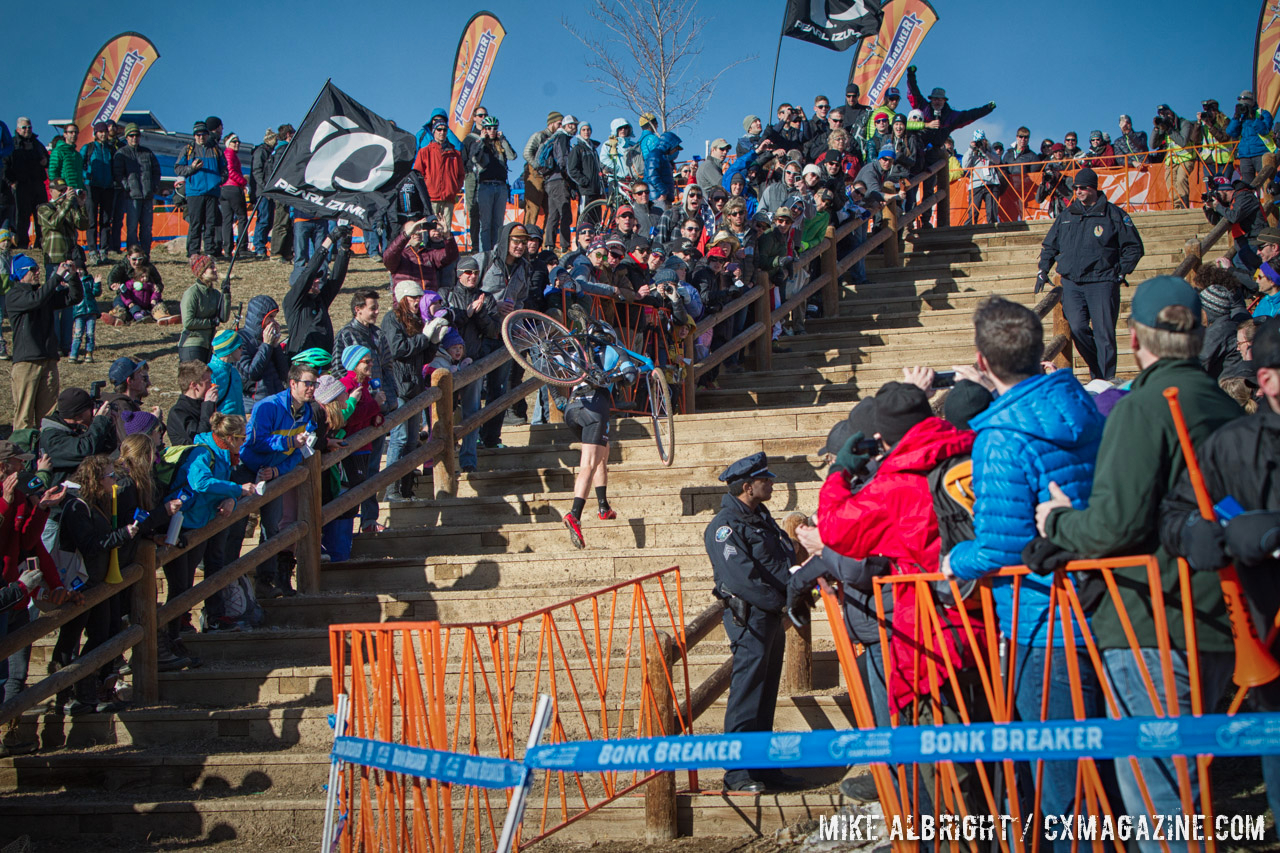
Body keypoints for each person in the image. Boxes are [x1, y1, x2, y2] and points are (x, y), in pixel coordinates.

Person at [1035, 277, 1241, 853]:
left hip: (1152, 619)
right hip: (1222, 614)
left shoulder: (1143, 408)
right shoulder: (1225, 405)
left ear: (1133, 339)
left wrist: (1056, 521)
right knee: (1188, 788)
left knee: (1160, 801)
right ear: (1199, 336)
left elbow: (1111, 527)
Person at [937, 299, 1105, 848]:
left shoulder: (1001, 437)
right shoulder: (1081, 402)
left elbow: (1004, 546)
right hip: (1103, 602)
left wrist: (953, 561)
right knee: (1102, 768)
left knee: (1059, 775)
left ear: (982, 361)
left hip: (1042, 616)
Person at [704, 452, 804, 793]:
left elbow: (779, 562)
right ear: (748, 486)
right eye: (766, 479)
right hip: (751, 617)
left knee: (765, 694)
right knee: (747, 695)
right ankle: (737, 771)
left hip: (770, 615)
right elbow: (742, 579)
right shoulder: (724, 527)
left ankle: (762, 766)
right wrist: (782, 602)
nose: (772, 483)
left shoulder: (761, 517)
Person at [1036, 167, 1145, 380]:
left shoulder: (1113, 214)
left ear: (1094, 188)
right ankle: (1098, 372)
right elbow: (1050, 244)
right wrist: (1043, 268)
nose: (1078, 191)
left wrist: (1120, 272)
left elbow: (1134, 247)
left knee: (1104, 334)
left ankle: (1106, 380)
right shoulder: (1067, 214)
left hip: (1102, 281)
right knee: (1077, 329)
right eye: (1076, 187)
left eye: (1083, 187)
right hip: (1072, 282)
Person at [241, 362, 321, 597]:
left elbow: (300, 452)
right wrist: (286, 443)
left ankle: (266, 581)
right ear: (293, 383)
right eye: (308, 383)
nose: (312, 388)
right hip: (247, 470)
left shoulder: (307, 412)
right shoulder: (267, 407)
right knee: (237, 530)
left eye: (314, 384)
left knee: (272, 528)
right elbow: (254, 442)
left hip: (273, 476)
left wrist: (277, 471)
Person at [382, 281, 446, 501]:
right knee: (399, 439)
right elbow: (398, 349)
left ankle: (406, 488)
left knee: (411, 441)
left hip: (414, 386)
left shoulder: (416, 320)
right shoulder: (392, 319)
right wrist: (424, 338)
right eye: (412, 297)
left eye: (419, 297)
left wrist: (433, 342)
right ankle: (392, 489)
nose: (417, 301)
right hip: (400, 387)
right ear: (402, 299)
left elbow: (422, 357)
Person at [7, 255, 81, 429]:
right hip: (26, 362)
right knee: (24, 416)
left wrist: (72, 277)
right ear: (20, 273)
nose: (37, 272)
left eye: (37, 268)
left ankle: (45, 452)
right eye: (32, 269)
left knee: (48, 416)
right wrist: (56, 277)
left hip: (48, 360)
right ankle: (22, 453)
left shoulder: (43, 293)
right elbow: (36, 300)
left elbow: (74, 297)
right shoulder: (14, 296)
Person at [284, 226, 350, 360]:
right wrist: (330, 240)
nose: (318, 280)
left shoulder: (320, 301)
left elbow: (335, 281)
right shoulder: (293, 302)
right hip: (302, 366)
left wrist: (344, 250)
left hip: (324, 363)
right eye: (315, 279)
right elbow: (308, 273)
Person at [174, 121, 228, 258]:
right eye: (197, 135)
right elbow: (178, 168)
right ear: (194, 136)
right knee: (195, 223)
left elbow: (225, 169)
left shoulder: (215, 149)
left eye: (203, 134)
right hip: (194, 192)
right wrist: (191, 168)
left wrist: (218, 181)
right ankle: (193, 252)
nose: (200, 137)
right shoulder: (188, 150)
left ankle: (210, 252)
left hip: (212, 192)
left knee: (210, 223)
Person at [468, 116, 517, 253]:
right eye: (489, 128)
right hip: (485, 186)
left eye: (495, 128)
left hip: (500, 185)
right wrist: (482, 140)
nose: (492, 131)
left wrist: (503, 140)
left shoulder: (500, 143)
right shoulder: (479, 142)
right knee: (485, 223)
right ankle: (485, 254)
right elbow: (474, 158)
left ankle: (496, 252)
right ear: (484, 129)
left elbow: (512, 156)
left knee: (498, 223)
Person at [111, 124, 161, 254]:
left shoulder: (147, 153)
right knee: (132, 227)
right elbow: (118, 174)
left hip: (147, 196)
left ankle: (145, 254)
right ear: (126, 137)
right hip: (132, 196)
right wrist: (127, 187)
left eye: (137, 135)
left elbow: (156, 171)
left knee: (147, 227)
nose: (134, 138)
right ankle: (133, 254)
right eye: (131, 135)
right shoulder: (122, 153)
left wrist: (154, 186)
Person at [179, 255, 232, 363]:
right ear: (202, 272)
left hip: (208, 345)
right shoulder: (192, 293)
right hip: (192, 345)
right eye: (211, 267)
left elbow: (223, 318)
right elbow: (188, 322)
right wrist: (211, 322)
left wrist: (226, 295)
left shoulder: (215, 294)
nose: (215, 269)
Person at [414, 117, 465, 231]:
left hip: (448, 198)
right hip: (431, 198)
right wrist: (425, 189)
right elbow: (417, 175)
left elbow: (461, 174)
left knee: (445, 230)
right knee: (431, 230)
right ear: (434, 131)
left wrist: (455, 188)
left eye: (444, 130)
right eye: (439, 129)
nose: (442, 132)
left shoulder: (455, 153)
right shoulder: (425, 152)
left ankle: (445, 249)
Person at [7, 118, 48, 249]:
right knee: (22, 216)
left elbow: (47, 158)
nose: (27, 130)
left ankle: (40, 243)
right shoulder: (13, 144)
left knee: (41, 215)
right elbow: (5, 164)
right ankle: (22, 243)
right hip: (21, 185)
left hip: (37, 184)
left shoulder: (37, 144)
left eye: (29, 127)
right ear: (18, 129)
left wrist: (44, 161)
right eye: (24, 128)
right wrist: (11, 181)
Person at [541, 114, 579, 252]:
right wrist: (570, 179)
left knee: (554, 214)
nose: (574, 128)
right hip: (559, 180)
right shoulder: (562, 138)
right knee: (565, 213)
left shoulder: (556, 137)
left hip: (550, 180)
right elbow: (563, 160)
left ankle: (549, 245)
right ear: (564, 126)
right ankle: (564, 246)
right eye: (571, 125)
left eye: (575, 125)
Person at [1152, 104, 1197, 209]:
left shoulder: (1184, 123)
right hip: (1171, 160)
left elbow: (1183, 142)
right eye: (1162, 115)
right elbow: (1153, 145)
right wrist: (1156, 128)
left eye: (1166, 113)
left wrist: (1169, 130)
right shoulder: (1164, 127)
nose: (1165, 116)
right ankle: (1176, 208)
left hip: (1186, 157)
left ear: (1171, 113)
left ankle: (1184, 206)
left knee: (1181, 180)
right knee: (1170, 184)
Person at [522, 111, 562, 229]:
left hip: (550, 177)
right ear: (551, 123)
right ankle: (526, 241)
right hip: (535, 176)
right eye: (559, 124)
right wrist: (538, 166)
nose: (561, 127)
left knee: (551, 210)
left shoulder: (558, 139)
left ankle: (546, 244)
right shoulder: (539, 136)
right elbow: (526, 153)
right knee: (532, 210)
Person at [1227, 90, 1275, 186]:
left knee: (1266, 181)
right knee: (1247, 184)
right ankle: (1251, 200)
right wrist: (1236, 117)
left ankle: (1268, 200)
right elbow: (1231, 132)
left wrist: (1253, 118)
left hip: (1261, 152)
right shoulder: (1241, 116)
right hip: (1245, 155)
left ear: (1252, 102)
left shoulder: (1262, 113)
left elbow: (1264, 130)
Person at [168, 359, 219, 445]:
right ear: (194, 385)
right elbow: (200, 437)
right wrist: (208, 405)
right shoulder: (178, 412)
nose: (211, 385)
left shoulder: (202, 404)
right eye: (208, 382)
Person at [568, 121, 605, 228]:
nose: (586, 132)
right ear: (580, 131)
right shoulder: (577, 149)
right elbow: (572, 169)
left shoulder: (593, 150)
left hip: (597, 190)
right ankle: (581, 242)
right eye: (583, 130)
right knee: (584, 218)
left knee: (596, 219)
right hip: (586, 190)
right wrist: (584, 182)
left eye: (588, 129)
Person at [249, 128, 278, 258]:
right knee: (264, 218)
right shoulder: (261, 152)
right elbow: (257, 171)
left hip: (268, 190)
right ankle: (259, 246)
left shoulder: (270, 152)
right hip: (263, 191)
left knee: (269, 219)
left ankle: (262, 244)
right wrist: (264, 186)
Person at [219, 133, 248, 257]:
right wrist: (243, 182)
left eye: (238, 142)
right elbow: (230, 171)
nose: (237, 144)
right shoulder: (230, 154)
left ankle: (227, 249)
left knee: (227, 219)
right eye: (234, 141)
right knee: (242, 217)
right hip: (233, 188)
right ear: (228, 143)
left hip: (224, 188)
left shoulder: (226, 154)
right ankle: (242, 247)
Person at [963, 131, 1002, 225]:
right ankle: (970, 232)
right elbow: (964, 166)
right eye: (978, 141)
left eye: (982, 140)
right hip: (976, 184)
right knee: (973, 213)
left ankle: (993, 231)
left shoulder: (990, 150)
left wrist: (985, 151)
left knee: (992, 213)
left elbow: (997, 161)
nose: (980, 143)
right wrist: (971, 149)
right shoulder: (971, 152)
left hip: (991, 183)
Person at [68, 267, 101, 364]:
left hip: (91, 311)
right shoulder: (72, 282)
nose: (79, 271)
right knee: (78, 334)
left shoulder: (89, 280)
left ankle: (89, 353)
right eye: (76, 269)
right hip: (79, 311)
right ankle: (74, 354)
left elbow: (96, 293)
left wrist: (97, 284)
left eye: (80, 269)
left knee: (90, 334)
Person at [644, 132, 682, 208]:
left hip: (662, 197)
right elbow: (652, 176)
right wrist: (663, 192)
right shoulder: (655, 155)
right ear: (670, 145)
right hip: (658, 197)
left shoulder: (662, 156)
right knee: (660, 218)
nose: (675, 150)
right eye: (676, 148)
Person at [47, 124, 84, 192]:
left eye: (76, 132)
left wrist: (83, 189)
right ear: (65, 134)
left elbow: (79, 175)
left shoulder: (77, 155)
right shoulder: (58, 151)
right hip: (64, 192)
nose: (74, 134)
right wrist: (59, 189)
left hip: (77, 192)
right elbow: (53, 172)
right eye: (71, 132)